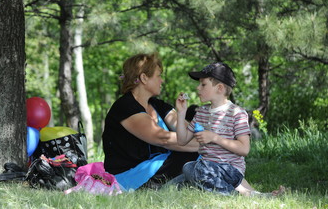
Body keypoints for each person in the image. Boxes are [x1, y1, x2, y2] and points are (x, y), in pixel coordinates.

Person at [175, 62, 284, 196]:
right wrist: (181, 113)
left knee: (188, 168)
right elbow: (182, 140)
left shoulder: (237, 113)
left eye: (203, 84)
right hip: (206, 168)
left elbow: (244, 149)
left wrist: (214, 137)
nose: (198, 88)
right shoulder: (201, 112)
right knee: (172, 185)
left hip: (230, 170)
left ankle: (237, 194)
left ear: (219, 88)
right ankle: (254, 194)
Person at [102, 52, 199, 191]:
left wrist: (214, 137)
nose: (162, 81)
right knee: (192, 154)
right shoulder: (125, 106)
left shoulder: (157, 104)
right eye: (158, 76)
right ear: (144, 78)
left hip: (158, 166)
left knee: (199, 153)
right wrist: (207, 145)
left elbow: (188, 130)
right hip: (130, 175)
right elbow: (162, 139)